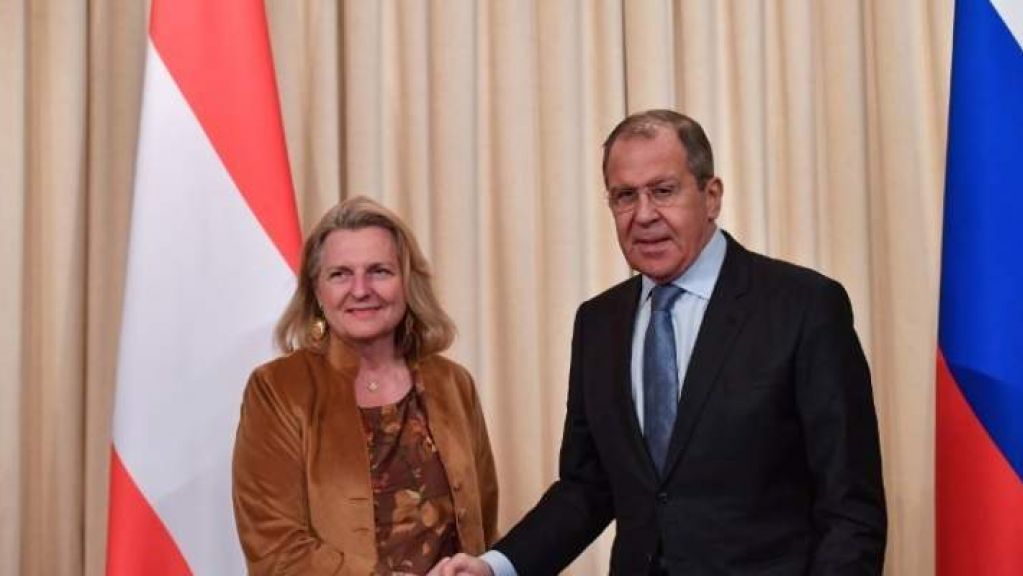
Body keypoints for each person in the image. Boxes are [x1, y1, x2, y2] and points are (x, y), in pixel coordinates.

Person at [434, 110, 886, 575]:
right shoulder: (598, 323)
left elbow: (850, 506)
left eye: (664, 191)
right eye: (625, 196)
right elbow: (588, 486)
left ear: (711, 196)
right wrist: (496, 567)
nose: (644, 215)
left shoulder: (803, 306)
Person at [233, 196, 499, 575]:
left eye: (379, 271)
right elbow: (275, 549)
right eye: (340, 274)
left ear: (407, 283)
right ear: (317, 291)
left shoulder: (454, 384)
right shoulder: (276, 390)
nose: (360, 290)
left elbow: (484, 528)